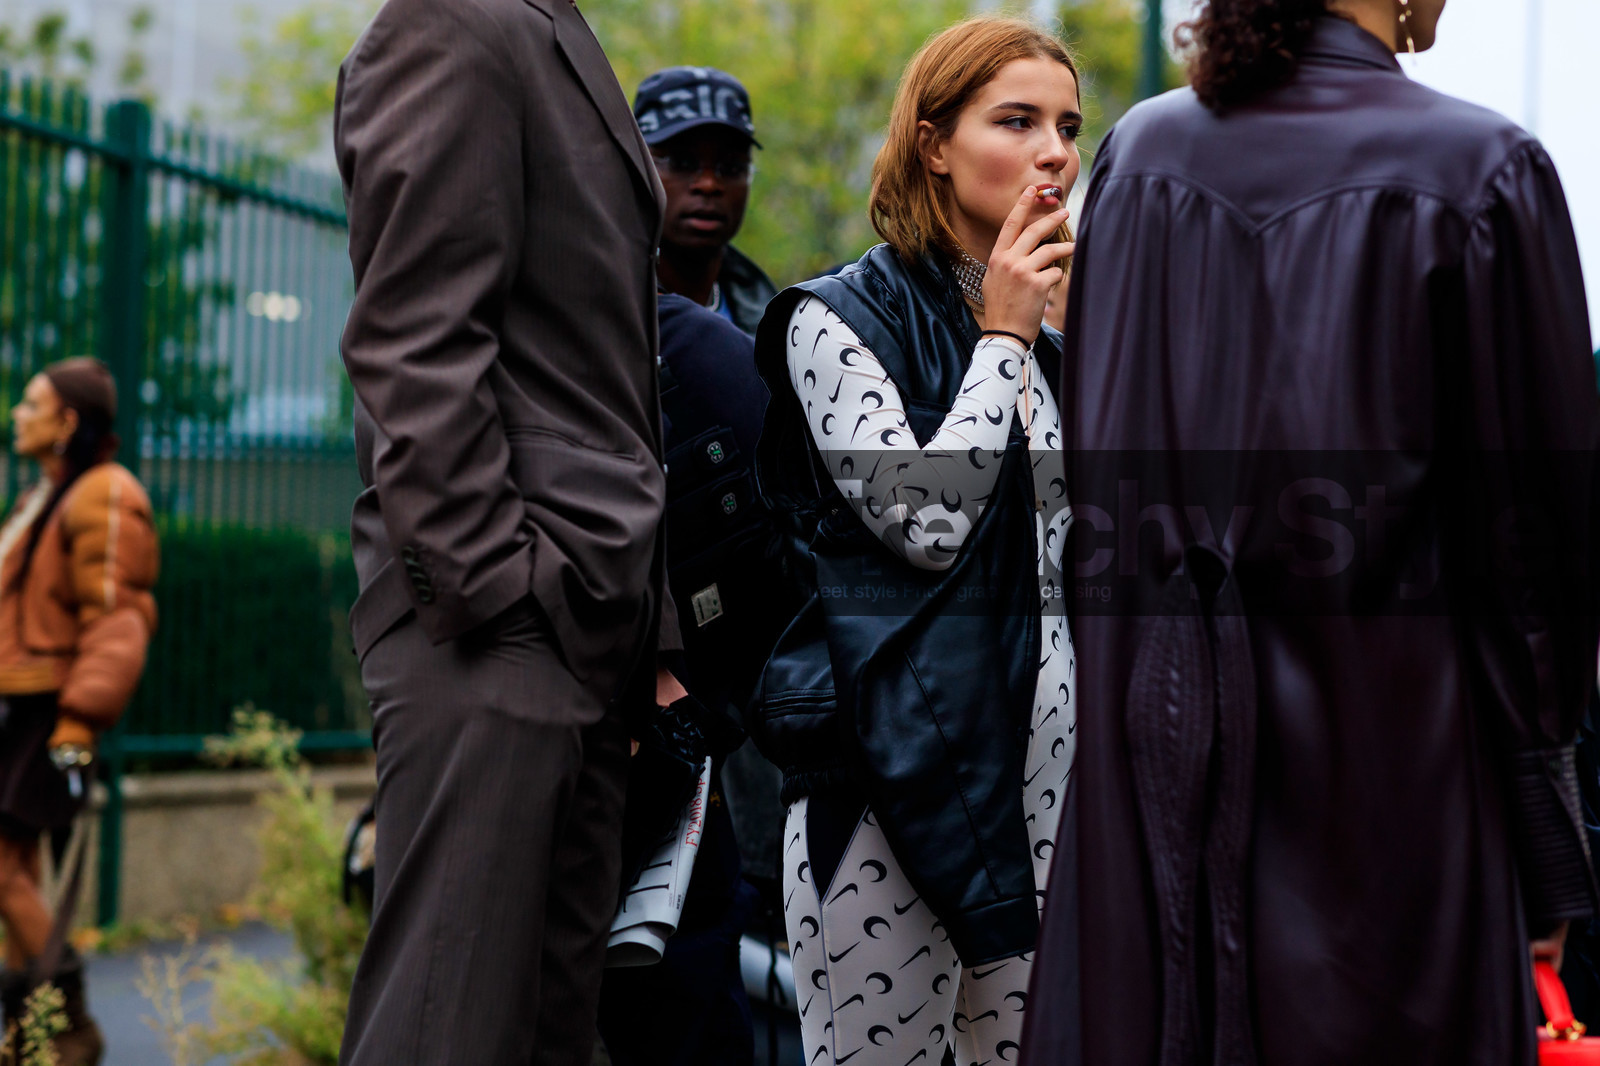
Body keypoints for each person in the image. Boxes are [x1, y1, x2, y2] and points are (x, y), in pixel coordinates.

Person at [1023, 1, 1600, 1064]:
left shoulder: (1141, 154)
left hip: (1147, 804)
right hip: (1395, 806)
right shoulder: (1481, 169)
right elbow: (1539, 567)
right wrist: (1545, 835)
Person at [332, 0, 683, 1061]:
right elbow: (413, 340)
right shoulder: (449, 23)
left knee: (546, 1035)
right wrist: (494, 589)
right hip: (499, 632)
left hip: (582, 625)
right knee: (448, 1031)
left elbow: (610, 383)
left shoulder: (543, 27)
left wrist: (644, 633)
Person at [748, 17, 1082, 1065]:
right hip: (894, 788)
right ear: (933, 142)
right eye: (1016, 120)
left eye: (1067, 126)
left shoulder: (1058, 344)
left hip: (1048, 790)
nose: (1054, 153)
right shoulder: (834, 319)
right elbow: (925, 520)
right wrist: (1005, 335)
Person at [598, 293, 785, 1066]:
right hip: (608, 760)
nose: (708, 182)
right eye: (684, 161)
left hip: (703, 784)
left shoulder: (731, 336)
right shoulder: (547, 348)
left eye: (727, 162)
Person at [0, 357, 158, 1066]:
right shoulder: (49, 496)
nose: (16, 414)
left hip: (50, 713)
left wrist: (79, 721)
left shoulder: (104, 494)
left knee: (3, 871)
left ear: (67, 421)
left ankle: (71, 1030)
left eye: (31, 404)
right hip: (18, 704)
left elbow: (118, 616)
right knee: (16, 873)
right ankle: (31, 1032)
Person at [633, 67, 777, 333]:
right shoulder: (598, 305)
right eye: (683, 163)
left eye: (731, 167)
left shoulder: (773, 323)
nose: (709, 184)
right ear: (636, 165)